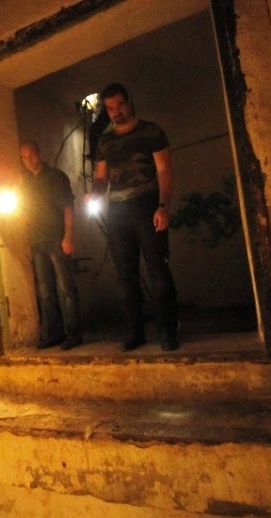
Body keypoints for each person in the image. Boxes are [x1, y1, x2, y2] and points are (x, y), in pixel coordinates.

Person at [86, 83, 179, 351]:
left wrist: (162, 206)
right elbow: (101, 178)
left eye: (120, 106)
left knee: (157, 269)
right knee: (125, 276)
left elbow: (164, 170)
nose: (117, 112)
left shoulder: (151, 131)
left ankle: (168, 331)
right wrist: (93, 194)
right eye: (110, 108)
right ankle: (134, 332)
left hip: (147, 205)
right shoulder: (105, 141)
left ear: (129, 102)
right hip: (117, 210)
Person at [19, 140, 82, 350]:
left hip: (56, 238)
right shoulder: (25, 182)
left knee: (65, 288)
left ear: (39, 154)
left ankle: (73, 333)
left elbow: (67, 207)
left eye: (31, 155)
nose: (29, 161)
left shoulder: (55, 177)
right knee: (45, 290)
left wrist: (68, 235)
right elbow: (25, 210)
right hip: (37, 240)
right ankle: (54, 333)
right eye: (24, 158)